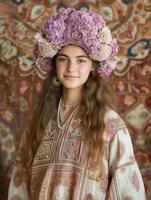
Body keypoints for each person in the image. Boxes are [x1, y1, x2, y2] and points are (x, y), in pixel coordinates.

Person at [8, 8, 146, 200]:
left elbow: (127, 191)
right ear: (55, 65)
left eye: (81, 60)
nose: (71, 68)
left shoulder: (111, 124)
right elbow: (19, 184)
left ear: (92, 67)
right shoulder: (40, 123)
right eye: (64, 59)